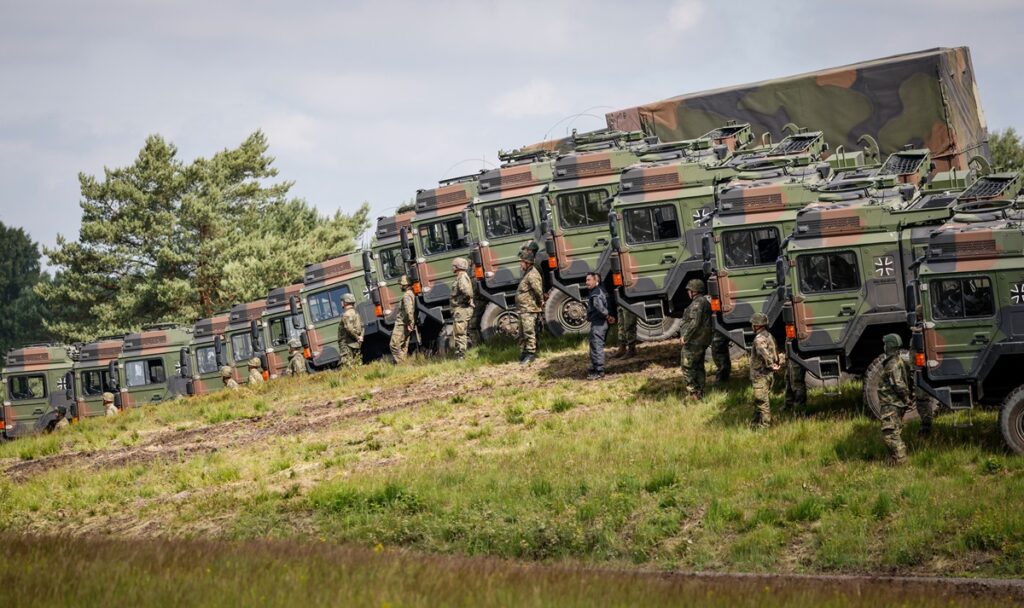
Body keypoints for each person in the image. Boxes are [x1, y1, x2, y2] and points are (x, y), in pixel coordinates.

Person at [879, 333, 913, 465]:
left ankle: (900, 460)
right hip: (895, 403)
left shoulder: (892, 365)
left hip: (891, 403)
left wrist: (906, 399)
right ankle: (894, 460)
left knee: (890, 433)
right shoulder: (900, 361)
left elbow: (898, 384)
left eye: (885, 344)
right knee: (895, 430)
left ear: (889, 346)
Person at [679, 278, 713, 398]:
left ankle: (693, 392)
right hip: (701, 340)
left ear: (694, 291)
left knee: (687, 366)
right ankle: (700, 391)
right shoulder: (705, 302)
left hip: (694, 341)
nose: (688, 292)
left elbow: (695, 323)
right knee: (698, 366)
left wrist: (685, 337)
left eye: (689, 290)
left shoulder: (697, 303)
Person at [750, 312, 781, 428]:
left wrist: (771, 365)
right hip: (767, 375)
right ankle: (755, 424)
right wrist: (776, 364)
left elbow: (764, 353)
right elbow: (774, 351)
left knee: (762, 402)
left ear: (756, 325)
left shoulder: (759, 339)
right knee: (759, 401)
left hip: (760, 375)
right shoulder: (769, 335)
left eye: (753, 324)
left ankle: (764, 427)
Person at [515, 250, 544, 365]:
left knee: (529, 331)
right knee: (522, 333)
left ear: (527, 262)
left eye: (521, 262)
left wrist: (540, 302)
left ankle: (531, 353)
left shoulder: (533, 274)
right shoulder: (527, 273)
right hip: (523, 308)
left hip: (529, 308)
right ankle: (524, 352)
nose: (520, 264)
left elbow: (538, 291)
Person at [585, 273, 613, 380]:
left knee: (597, 346)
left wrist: (607, 315)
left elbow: (598, 307)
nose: (586, 282)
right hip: (599, 323)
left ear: (595, 280)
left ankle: (599, 371)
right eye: (586, 280)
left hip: (599, 323)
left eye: (589, 280)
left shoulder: (596, 293)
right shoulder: (601, 290)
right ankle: (595, 367)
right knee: (595, 345)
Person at [450, 257, 474, 360]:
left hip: (461, 309)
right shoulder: (461, 277)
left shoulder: (462, 277)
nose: (452, 267)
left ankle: (461, 356)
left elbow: (467, 293)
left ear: (457, 267)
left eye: (453, 266)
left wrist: (465, 302)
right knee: (459, 333)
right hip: (460, 308)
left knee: (460, 333)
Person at [390, 275, 417, 363]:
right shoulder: (411, 294)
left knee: (394, 345)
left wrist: (410, 323)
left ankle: (401, 364)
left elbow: (409, 310)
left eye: (400, 284)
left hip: (402, 324)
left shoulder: (406, 295)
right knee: (403, 345)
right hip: (406, 323)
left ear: (405, 284)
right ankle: (402, 365)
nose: (399, 286)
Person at [339, 292, 364, 367]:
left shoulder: (346, 314)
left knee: (348, 364)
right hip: (356, 343)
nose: (341, 303)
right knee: (357, 362)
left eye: (342, 301)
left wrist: (357, 337)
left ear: (345, 302)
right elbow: (362, 326)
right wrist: (360, 337)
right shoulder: (355, 313)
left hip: (347, 344)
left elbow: (349, 329)